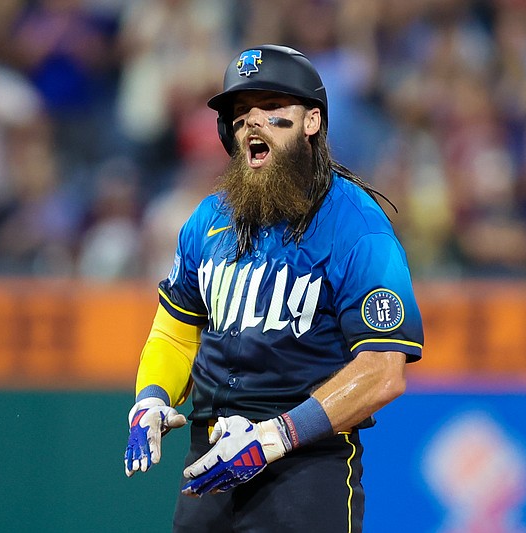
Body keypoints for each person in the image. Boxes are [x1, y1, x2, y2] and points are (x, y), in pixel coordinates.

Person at [123, 44, 424, 533]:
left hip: (305, 464)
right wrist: (151, 398)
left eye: (271, 108)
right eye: (240, 114)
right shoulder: (209, 220)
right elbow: (176, 333)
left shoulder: (357, 227)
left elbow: (383, 371)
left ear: (311, 122)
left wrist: (275, 437)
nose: (251, 122)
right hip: (210, 465)